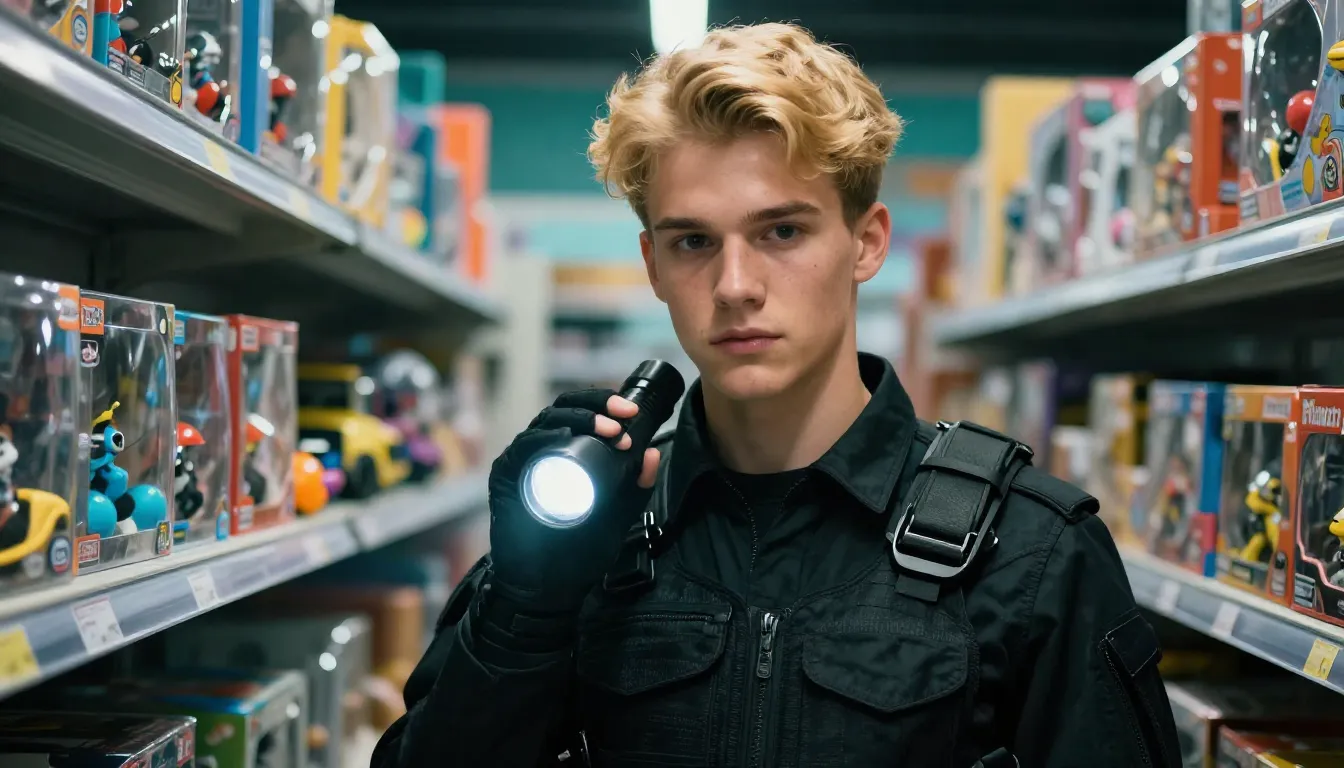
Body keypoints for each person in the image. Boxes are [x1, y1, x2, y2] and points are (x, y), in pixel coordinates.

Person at [372, 22, 1182, 768]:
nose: (734, 286)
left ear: (866, 243)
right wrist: (524, 606)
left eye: (781, 232)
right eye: (693, 242)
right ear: (653, 265)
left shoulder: (1032, 552)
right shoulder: (588, 539)